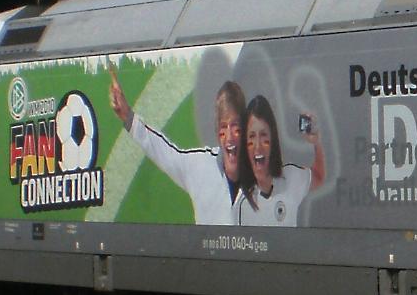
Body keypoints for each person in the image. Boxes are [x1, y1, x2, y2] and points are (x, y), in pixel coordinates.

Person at [109, 71, 246, 225]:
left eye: (235, 126)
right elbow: (163, 150)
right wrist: (128, 117)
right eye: (223, 127)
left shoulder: (262, 173)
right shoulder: (200, 166)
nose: (229, 136)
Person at [234, 95, 325, 227]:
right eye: (252, 136)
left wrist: (316, 142)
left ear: (273, 140)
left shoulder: (291, 177)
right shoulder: (241, 204)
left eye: (264, 135)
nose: (258, 146)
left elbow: (318, 176)